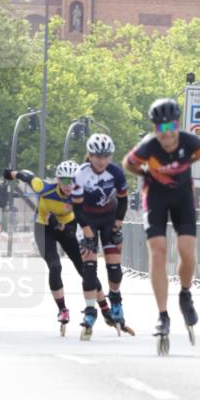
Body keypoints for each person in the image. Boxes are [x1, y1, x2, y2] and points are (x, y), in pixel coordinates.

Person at [123, 98, 200, 337]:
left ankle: (185, 293)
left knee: (186, 250)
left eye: (170, 128)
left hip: (183, 199)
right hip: (156, 198)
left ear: (177, 125)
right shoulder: (148, 147)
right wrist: (145, 173)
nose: (166, 135)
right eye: (161, 129)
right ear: (154, 129)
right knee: (158, 250)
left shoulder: (191, 142)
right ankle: (162, 315)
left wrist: (182, 167)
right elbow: (128, 163)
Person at [3, 160, 113, 331]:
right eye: (66, 181)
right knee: (55, 266)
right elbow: (27, 176)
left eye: (74, 181)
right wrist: (12, 174)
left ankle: (105, 309)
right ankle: (62, 310)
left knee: (85, 269)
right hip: (43, 229)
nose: (70, 185)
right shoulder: (44, 188)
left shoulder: (80, 196)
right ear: (58, 179)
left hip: (67, 228)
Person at [72, 133, 130, 336]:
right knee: (89, 268)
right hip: (86, 219)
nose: (102, 160)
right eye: (98, 156)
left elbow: (123, 201)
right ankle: (90, 311)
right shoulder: (81, 174)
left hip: (109, 219)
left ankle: (115, 299)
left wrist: (117, 224)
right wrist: (86, 230)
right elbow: (76, 207)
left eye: (106, 156)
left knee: (114, 268)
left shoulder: (116, 173)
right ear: (90, 155)